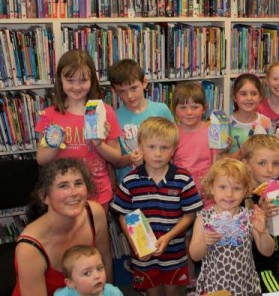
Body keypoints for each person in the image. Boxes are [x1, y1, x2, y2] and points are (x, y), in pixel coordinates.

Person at [110, 117, 202, 296]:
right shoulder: (130, 181)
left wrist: (168, 237)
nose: (158, 154)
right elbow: (123, 215)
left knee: (173, 291)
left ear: (174, 149)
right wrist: (134, 243)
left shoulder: (183, 178)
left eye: (164, 148)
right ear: (140, 147)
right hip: (144, 255)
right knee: (152, 292)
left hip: (174, 252)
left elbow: (190, 214)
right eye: (151, 147)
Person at [35, 49, 122, 209]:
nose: (77, 87)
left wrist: (99, 143)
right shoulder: (50, 115)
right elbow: (41, 159)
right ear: (60, 80)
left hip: (98, 193)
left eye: (83, 80)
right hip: (62, 195)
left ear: (92, 80)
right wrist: (55, 144)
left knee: (95, 232)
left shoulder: (104, 111)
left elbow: (116, 158)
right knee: (67, 234)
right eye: (70, 80)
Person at [13, 158, 112, 296]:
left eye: (78, 183)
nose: (74, 192)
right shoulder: (29, 247)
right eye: (63, 186)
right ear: (44, 196)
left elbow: (105, 264)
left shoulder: (94, 214)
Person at [189, 158, 274, 295]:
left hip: (246, 285)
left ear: (245, 190)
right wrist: (205, 242)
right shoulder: (204, 218)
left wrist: (263, 232)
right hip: (215, 286)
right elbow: (195, 255)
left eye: (237, 188)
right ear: (211, 188)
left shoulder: (250, 216)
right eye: (222, 187)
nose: (229, 194)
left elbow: (268, 251)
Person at [240, 135, 279, 293]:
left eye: (276, 163)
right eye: (262, 163)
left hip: (275, 262)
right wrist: (262, 213)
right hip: (256, 267)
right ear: (246, 165)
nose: (270, 170)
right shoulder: (238, 196)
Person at [108, 58, 174, 184]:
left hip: (161, 182)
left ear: (144, 83)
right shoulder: (114, 117)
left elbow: (173, 147)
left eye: (133, 88)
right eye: (122, 91)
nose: (129, 96)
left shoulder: (161, 110)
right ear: (114, 91)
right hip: (130, 185)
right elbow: (115, 162)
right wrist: (130, 158)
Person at [171, 81, 217, 206]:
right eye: (183, 107)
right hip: (181, 192)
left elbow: (217, 162)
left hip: (208, 192)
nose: (189, 112)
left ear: (204, 108)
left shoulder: (212, 130)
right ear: (174, 110)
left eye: (195, 107)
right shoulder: (171, 133)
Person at [224, 73, 272, 159]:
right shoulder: (227, 124)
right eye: (243, 94)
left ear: (260, 96)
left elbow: (271, 152)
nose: (249, 98)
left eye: (254, 94)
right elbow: (222, 158)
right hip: (235, 171)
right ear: (235, 96)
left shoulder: (266, 122)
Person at [54, 245, 122, 296]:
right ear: (70, 283)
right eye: (87, 273)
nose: (97, 276)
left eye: (100, 268)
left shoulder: (113, 293)